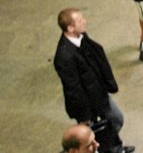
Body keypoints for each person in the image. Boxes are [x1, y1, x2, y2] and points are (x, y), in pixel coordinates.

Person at [54, 8, 134, 153]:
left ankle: (114, 147)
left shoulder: (81, 37)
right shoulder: (64, 57)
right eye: (79, 20)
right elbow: (73, 89)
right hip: (86, 104)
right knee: (99, 130)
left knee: (115, 120)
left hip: (99, 93)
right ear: (70, 28)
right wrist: (85, 117)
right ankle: (108, 148)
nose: (84, 21)